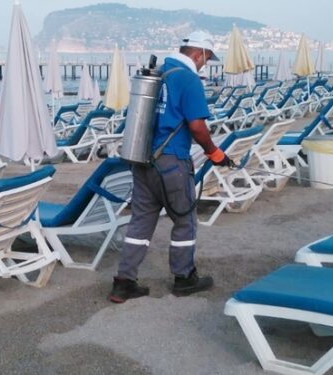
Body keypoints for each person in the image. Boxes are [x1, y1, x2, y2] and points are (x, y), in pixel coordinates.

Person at [109, 31, 235, 303]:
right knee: (185, 221)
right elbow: (197, 126)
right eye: (207, 58)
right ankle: (184, 278)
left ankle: (123, 282)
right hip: (172, 161)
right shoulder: (188, 79)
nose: (205, 63)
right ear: (199, 53)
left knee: (140, 222)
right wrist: (213, 152)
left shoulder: (159, 73)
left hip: (143, 159)